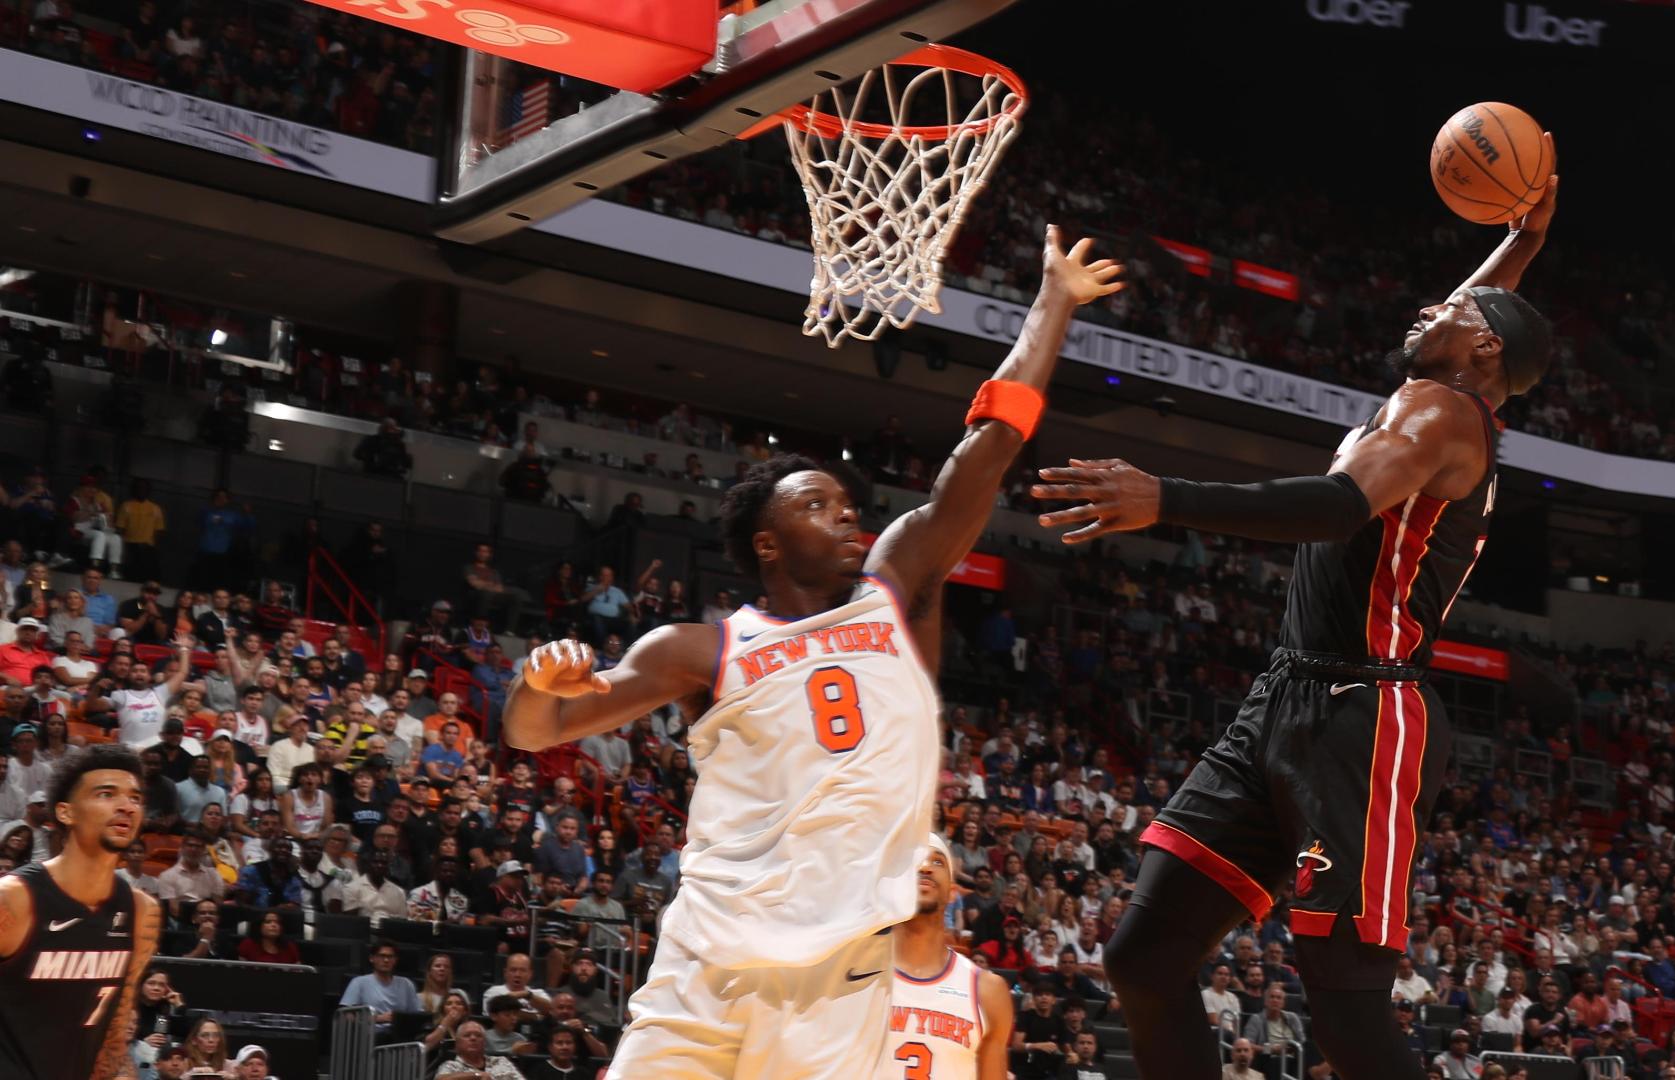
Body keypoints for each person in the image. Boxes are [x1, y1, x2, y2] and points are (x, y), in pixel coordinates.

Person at [505, 229, 1121, 1080]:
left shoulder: (894, 592)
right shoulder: (702, 648)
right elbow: (537, 732)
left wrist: (1053, 302)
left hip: (841, 975)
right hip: (707, 963)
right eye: (818, 505)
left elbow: (988, 448)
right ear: (765, 542)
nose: (847, 517)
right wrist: (534, 682)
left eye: (847, 506)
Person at [1031, 167, 1559, 1080]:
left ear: (1480, 355)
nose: (1429, 309)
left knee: (1343, 1001)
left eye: (1451, 310)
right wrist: (1523, 243)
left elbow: (1333, 505)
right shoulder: (1455, 391)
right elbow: (1489, 319)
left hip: (1363, 714)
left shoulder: (1439, 411)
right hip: (1292, 693)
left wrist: (1165, 497)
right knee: (1144, 956)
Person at [0, 744, 162, 1079]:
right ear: (65, 812)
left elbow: (114, 1037)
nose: (126, 807)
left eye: (135, 798)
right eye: (106, 794)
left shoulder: (142, 911)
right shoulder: (14, 900)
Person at [881, 834, 1013, 1080]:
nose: (926, 867)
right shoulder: (855, 977)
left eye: (937, 862)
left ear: (953, 892)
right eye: (915, 861)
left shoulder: (987, 990)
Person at [340, 939, 422, 1033]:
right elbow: (346, 1014)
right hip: (370, 1034)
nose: (386, 960)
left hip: (399, 1033)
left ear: (395, 960)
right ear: (372, 958)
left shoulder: (406, 984)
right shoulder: (359, 982)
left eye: (390, 957)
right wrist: (378, 1018)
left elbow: (417, 1015)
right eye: (382, 956)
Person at [434, 1019, 526, 1079]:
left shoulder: (501, 1061)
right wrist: (476, 1075)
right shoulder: (451, 1066)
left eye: (478, 1035)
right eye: (467, 1035)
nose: (473, 1038)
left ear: (484, 1042)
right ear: (457, 1043)